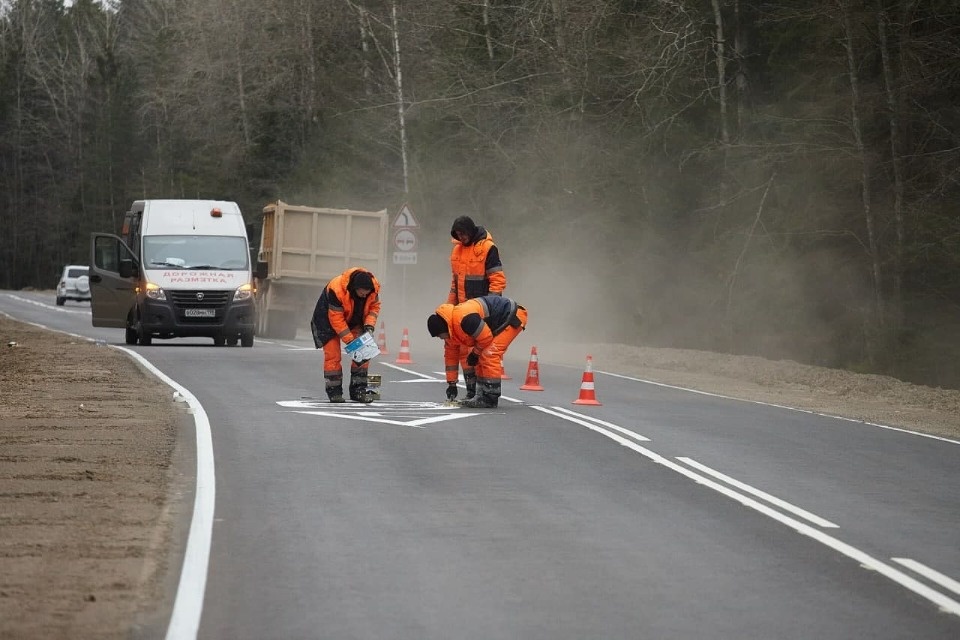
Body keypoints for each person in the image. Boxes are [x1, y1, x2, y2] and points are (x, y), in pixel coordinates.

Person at [426, 295, 527, 408]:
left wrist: (475, 353)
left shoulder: (464, 318)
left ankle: (490, 397)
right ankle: (480, 394)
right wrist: (452, 383)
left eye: (440, 335)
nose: (440, 338)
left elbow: (486, 338)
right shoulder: (451, 331)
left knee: (489, 354)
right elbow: (451, 357)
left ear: (443, 328)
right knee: (479, 355)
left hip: (512, 315)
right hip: (499, 320)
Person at [446, 215, 507, 400]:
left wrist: (492, 306)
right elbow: (455, 284)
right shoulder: (456, 251)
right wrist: (450, 309)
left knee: (483, 349)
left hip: (483, 309)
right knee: (465, 351)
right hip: (464, 308)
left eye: (463, 234)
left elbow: (497, 279)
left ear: (471, 231)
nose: (461, 238)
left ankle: (484, 392)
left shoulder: (487, 248)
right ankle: (472, 391)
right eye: (457, 235)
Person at [310, 268, 382, 403]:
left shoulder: (373, 289)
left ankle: (359, 391)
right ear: (355, 288)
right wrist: (351, 341)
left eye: (367, 293)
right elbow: (336, 319)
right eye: (362, 293)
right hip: (327, 321)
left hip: (355, 319)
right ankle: (334, 392)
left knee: (363, 353)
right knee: (333, 356)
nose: (364, 296)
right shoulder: (336, 290)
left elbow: (374, 308)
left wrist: (369, 325)